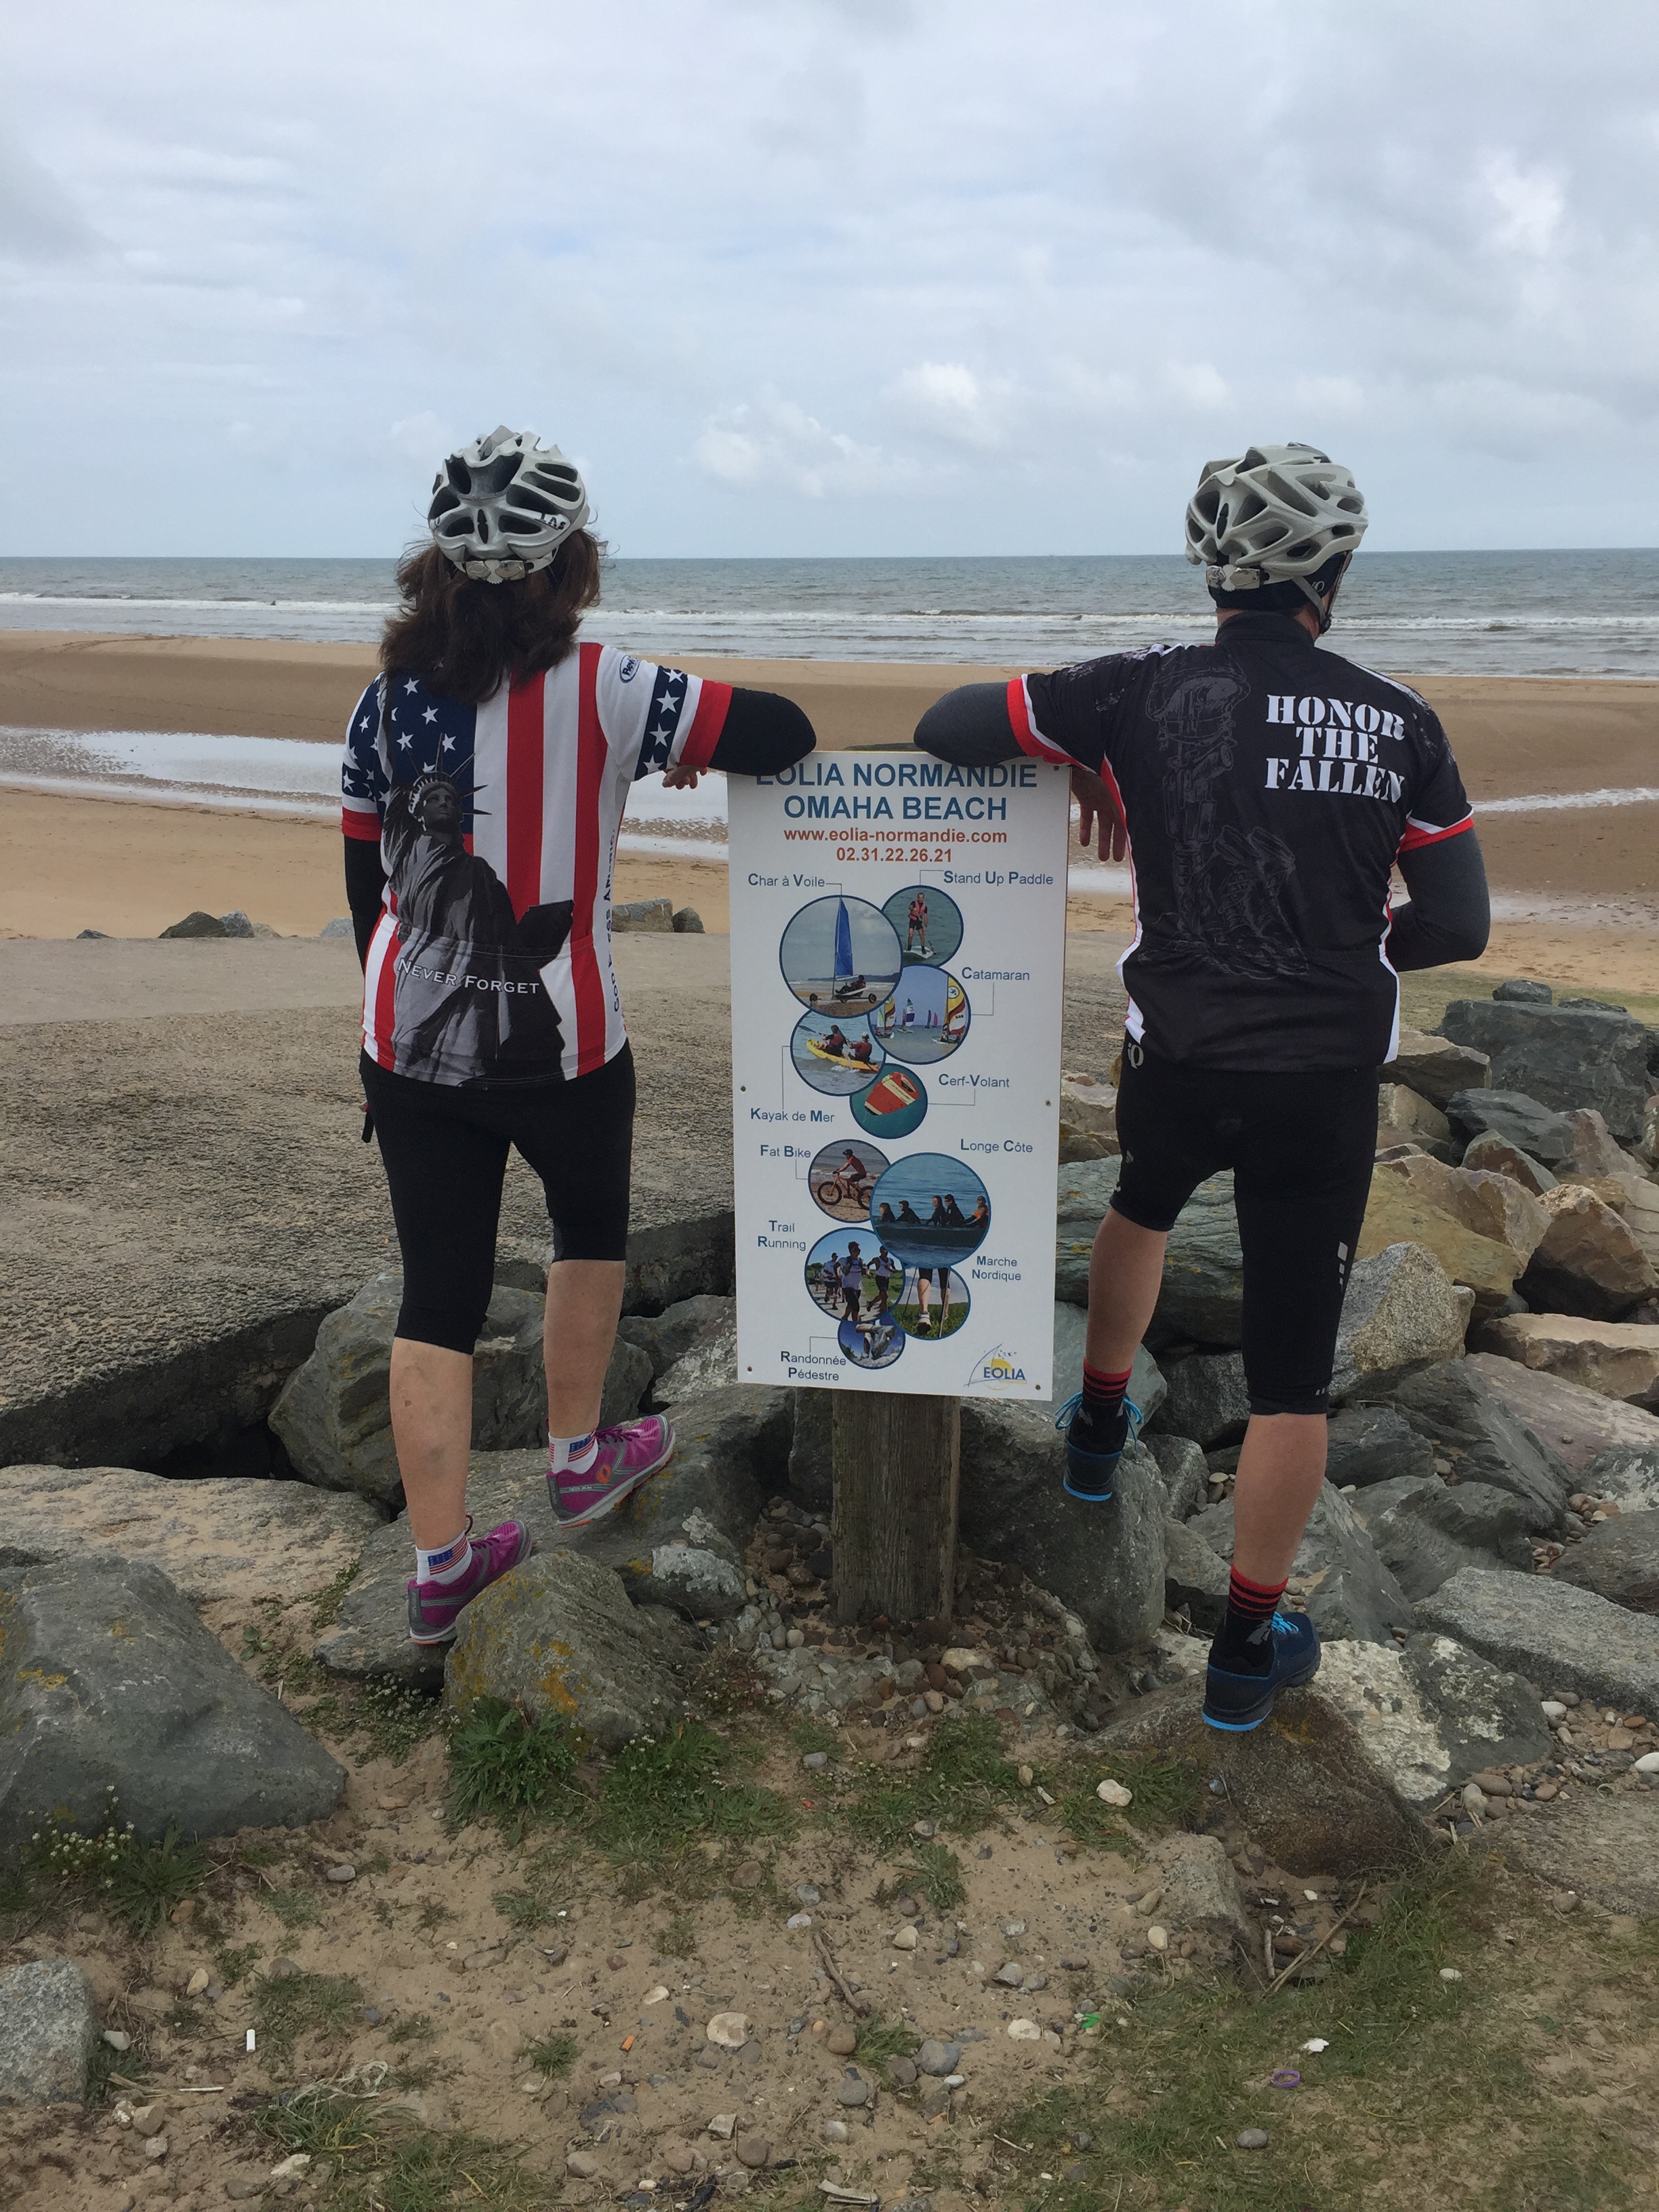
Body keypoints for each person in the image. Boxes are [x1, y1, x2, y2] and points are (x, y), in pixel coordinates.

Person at [914, 442, 1489, 1733]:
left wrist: (1073, 758)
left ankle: (1099, 1428)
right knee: (1293, 1372)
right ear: (1331, 577)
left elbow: (950, 724)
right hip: (1322, 1076)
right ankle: (1244, 1648)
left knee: (1144, 1203)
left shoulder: (1133, 692)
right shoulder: (1397, 719)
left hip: (1173, 1047)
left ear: (1211, 571)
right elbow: (1458, 924)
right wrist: (1348, 949)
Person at [343, 425, 815, 1646]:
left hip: (407, 1034)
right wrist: (651, 752)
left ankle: (441, 1568)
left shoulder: (385, 698)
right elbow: (782, 733)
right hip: (563, 1035)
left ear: (430, 570)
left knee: (435, 1295)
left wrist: (390, 1031)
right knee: (587, 1229)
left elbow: (366, 879)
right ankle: (576, 1454)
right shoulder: (610, 686)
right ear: (573, 566)